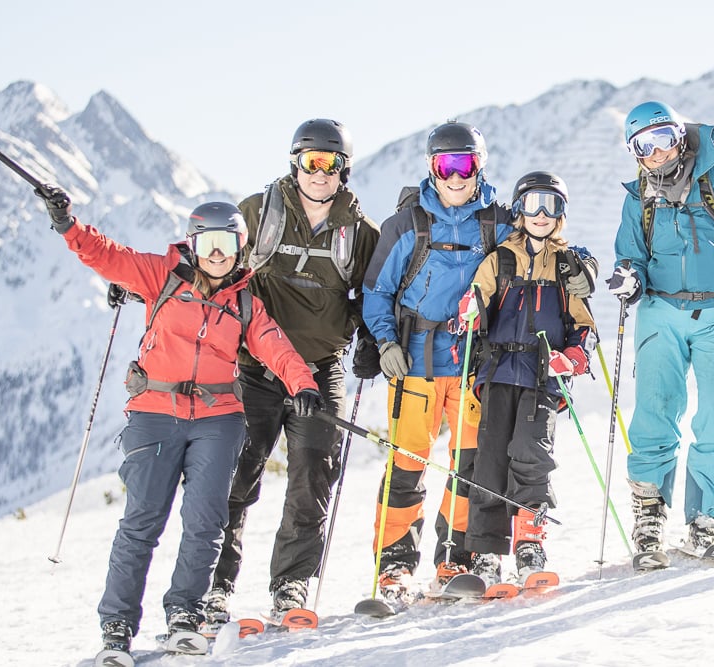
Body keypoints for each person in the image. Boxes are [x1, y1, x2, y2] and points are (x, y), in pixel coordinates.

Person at [36, 190, 323, 657]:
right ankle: (117, 627)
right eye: (208, 242)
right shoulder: (159, 276)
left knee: (206, 523)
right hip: (154, 414)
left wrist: (302, 384)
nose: (216, 253)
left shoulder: (245, 303)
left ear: (239, 249)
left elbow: (275, 345)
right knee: (141, 522)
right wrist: (67, 222)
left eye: (226, 245)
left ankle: (185, 613)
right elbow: (106, 254)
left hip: (218, 419)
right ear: (191, 243)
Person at [205, 118, 380, 623]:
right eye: (311, 161)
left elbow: (374, 295)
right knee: (235, 476)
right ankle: (215, 585)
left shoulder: (359, 233)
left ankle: (292, 584)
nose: (320, 173)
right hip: (253, 369)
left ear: (343, 170)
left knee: (312, 477)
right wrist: (145, 287)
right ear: (295, 163)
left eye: (330, 163)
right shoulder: (257, 214)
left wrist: (369, 339)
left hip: (320, 369)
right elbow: (211, 261)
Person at [608, 101, 714, 558]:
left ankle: (705, 517)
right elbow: (632, 254)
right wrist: (629, 276)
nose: (657, 153)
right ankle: (649, 513)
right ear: (634, 153)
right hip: (660, 311)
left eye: (664, 138)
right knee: (654, 410)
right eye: (643, 146)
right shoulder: (638, 198)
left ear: (680, 137)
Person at [361, 121, 517, 597]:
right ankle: (394, 565)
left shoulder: (498, 223)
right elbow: (375, 293)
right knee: (407, 465)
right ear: (431, 167)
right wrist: (386, 343)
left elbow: (538, 252)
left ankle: (457, 558)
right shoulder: (406, 226)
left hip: (471, 363)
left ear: (479, 166)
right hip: (415, 365)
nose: (454, 176)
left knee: (468, 464)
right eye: (444, 165)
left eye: (464, 164)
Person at [460, 171, 596, 586]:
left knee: (531, 454)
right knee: (490, 458)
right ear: (520, 209)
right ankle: (484, 551)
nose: (541, 214)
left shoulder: (567, 266)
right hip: (499, 371)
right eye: (534, 203)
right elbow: (476, 300)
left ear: (561, 214)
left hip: (542, 376)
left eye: (551, 205)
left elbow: (582, 325)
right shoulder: (500, 259)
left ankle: (530, 542)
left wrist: (571, 359)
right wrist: (471, 308)